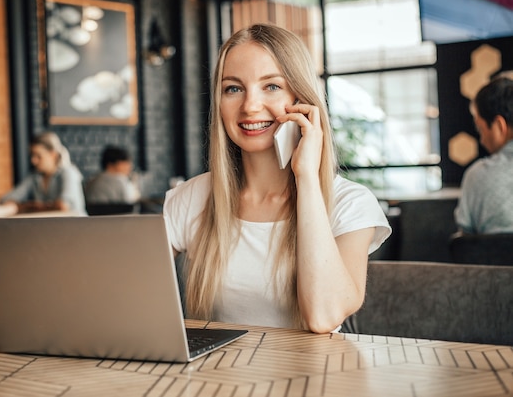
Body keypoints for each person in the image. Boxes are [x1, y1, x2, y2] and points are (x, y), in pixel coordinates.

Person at [163, 24, 391, 333]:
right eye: (233, 88)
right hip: (215, 379)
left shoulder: (351, 204)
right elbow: (124, 287)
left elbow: (324, 317)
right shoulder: (192, 198)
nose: (250, 106)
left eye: (271, 86)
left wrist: (307, 178)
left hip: (315, 379)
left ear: (301, 99)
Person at [454, 76, 513, 234]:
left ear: (499, 126)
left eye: (480, 129)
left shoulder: (477, 175)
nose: (482, 140)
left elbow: (465, 241)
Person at [2, 131, 86, 215]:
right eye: (32, 155)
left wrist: (24, 207)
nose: (33, 161)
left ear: (53, 155)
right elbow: (6, 200)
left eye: (38, 156)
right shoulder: (34, 177)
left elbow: (63, 207)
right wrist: (45, 206)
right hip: (50, 226)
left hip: (76, 226)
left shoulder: (69, 173)